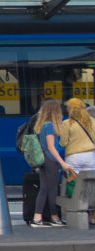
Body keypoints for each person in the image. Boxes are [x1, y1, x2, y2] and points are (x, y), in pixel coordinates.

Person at [32, 99, 71, 227]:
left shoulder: (42, 125)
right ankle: (54, 217)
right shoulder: (49, 126)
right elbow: (51, 147)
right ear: (55, 111)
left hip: (44, 160)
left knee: (44, 189)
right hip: (51, 160)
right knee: (52, 189)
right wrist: (62, 162)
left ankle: (38, 217)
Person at [61, 97, 95, 175]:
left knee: (72, 183)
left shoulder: (66, 123)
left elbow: (63, 143)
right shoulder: (92, 121)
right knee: (90, 183)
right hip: (90, 156)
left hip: (73, 157)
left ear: (69, 109)